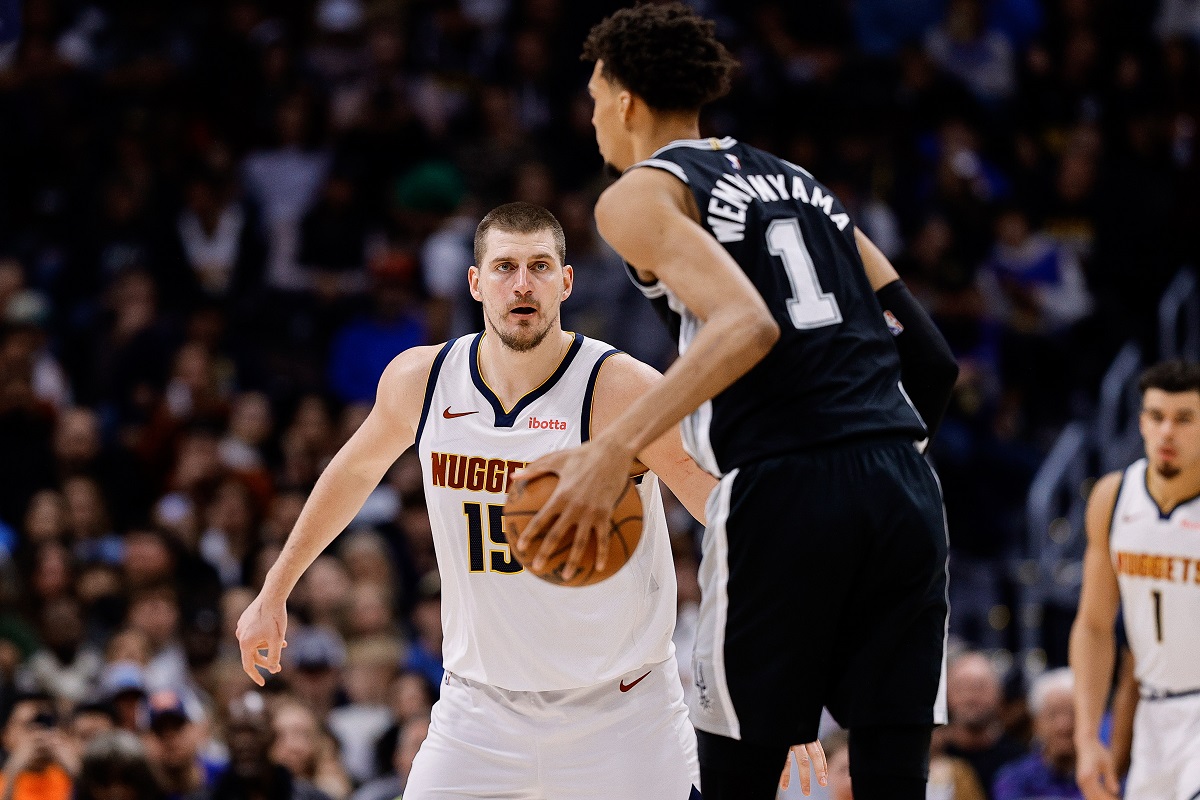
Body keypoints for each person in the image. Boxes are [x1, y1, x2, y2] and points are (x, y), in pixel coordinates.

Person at [236, 203, 826, 799]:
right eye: (505, 268)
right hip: (479, 711)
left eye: (540, 267)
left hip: (621, 716)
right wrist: (275, 590)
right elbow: (353, 470)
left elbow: (727, 514)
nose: (523, 284)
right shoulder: (424, 380)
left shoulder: (619, 390)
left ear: (566, 282)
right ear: (475, 282)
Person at [517, 5, 958, 799]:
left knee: (737, 777)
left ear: (622, 101)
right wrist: (875, 459)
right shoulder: (803, 185)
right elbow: (932, 358)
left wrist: (610, 450)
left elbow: (744, 324)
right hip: (903, 486)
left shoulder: (637, 195)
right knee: (896, 778)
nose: (590, 119)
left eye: (592, 99)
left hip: (785, 489)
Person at [1070, 359, 1200, 800]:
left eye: (1184, 419)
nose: (1167, 432)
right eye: (1157, 416)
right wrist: (1088, 739)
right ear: (1141, 422)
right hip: (1154, 719)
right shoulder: (1113, 496)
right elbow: (1093, 625)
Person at [992, 668, 1081, 800]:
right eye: (1052, 715)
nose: (1064, 725)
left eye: (1072, 714)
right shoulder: (1013, 778)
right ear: (1036, 723)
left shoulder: (1108, 777)